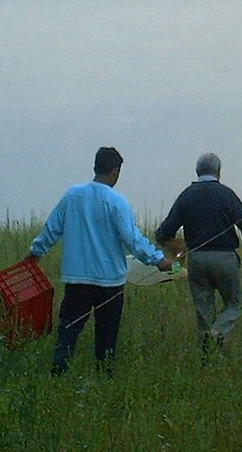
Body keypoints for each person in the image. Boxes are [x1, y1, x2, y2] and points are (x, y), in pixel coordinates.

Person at [27, 146, 172, 374]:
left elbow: (51, 229)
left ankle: (58, 370)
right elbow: (132, 240)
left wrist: (35, 252)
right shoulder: (117, 202)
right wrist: (158, 260)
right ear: (115, 171)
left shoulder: (72, 195)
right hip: (109, 282)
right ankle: (104, 375)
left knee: (69, 328)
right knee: (106, 334)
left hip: (77, 279)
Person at [155, 152, 242, 359]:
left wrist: (174, 248)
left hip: (196, 259)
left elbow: (164, 231)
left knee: (203, 309)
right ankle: (218, 332)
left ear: (197, 171)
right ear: (219, 172)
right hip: (225, 259)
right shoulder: (227, 195)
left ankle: (206, 357)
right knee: (235, 303)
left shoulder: (186, 195)